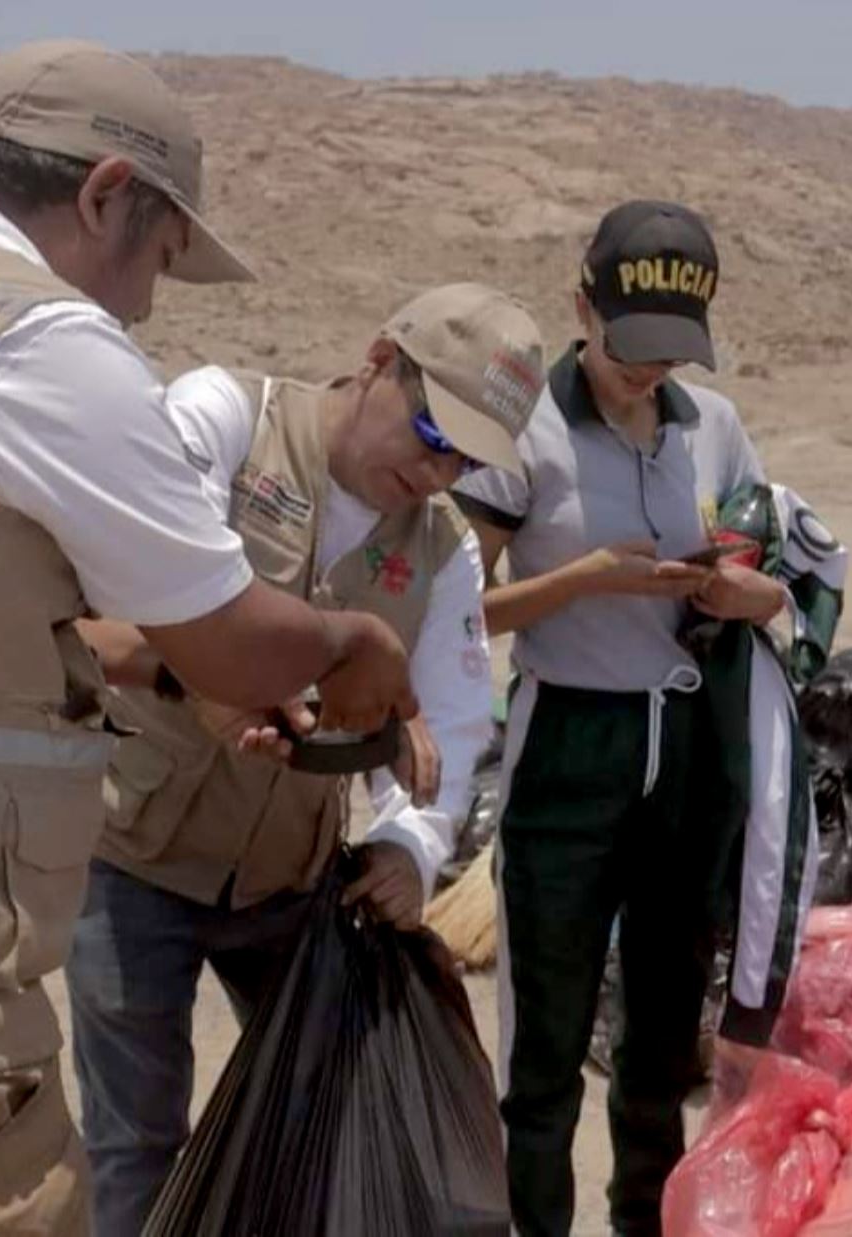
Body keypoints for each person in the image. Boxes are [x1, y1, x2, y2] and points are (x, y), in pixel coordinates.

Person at [0, 40, 416, 1235]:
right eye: (157, 256)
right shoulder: (30, 340)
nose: (146, 304)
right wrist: (351, 636)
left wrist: (160, 666)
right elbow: (239, 644)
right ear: (106, 192)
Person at [65, 283, 546, 1235]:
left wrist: (409, 848)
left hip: (290, 883)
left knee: (317, 1129)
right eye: (429, 432)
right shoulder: (227, 419)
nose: (440, 470)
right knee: (136, 1142)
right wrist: (216, 683)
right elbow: (146, 581)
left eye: (468, 458)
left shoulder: (444, 553)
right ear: (377, 360)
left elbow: (449, 722)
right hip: (135, 861)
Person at [453, 200, 808, 1237]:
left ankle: (644, 1221)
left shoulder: (717, 425)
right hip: (569, 739)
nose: (650, 373)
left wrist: (751, 595)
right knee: (546, 1038)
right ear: (581, 306)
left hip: (692, 752)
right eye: (630, 347)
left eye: (671, 352)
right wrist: (585, 582)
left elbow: (768, 571)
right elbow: (458, 612)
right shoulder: (523, 427)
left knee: (661, 1030)